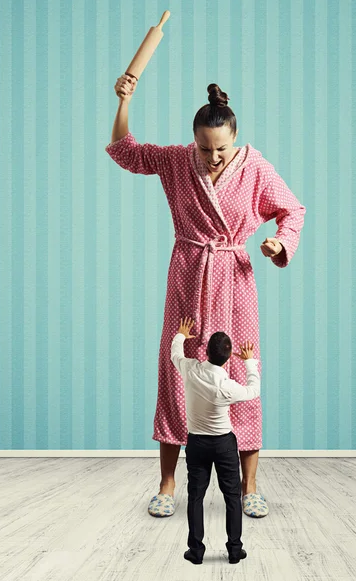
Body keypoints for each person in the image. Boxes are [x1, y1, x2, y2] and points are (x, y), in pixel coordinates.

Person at [106, 75, 306, 519]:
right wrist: (124, 101)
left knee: (241, 368)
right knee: (177, 371)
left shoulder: (255, 167)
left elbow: (293, 210)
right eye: (204, 148)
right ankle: (167, 484)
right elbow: (127, 152)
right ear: (192, 142)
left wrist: (279, 242)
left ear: (235, 138)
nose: (213, 157)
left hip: (235, 278)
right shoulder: (178, 162)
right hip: (188, 272)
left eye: (222, 148)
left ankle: (250, 485)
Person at [171, 317, 259, 565]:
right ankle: (234, 550)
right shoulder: (228, 386)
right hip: (223, 444)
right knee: (232, 496)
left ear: (206, 352)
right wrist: (250, 361)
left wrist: (181, 334)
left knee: (195, 497)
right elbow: (254, 390)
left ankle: (196, 552)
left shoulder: (191, 370)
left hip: (197, 443)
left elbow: (175, 354)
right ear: (229, 358)